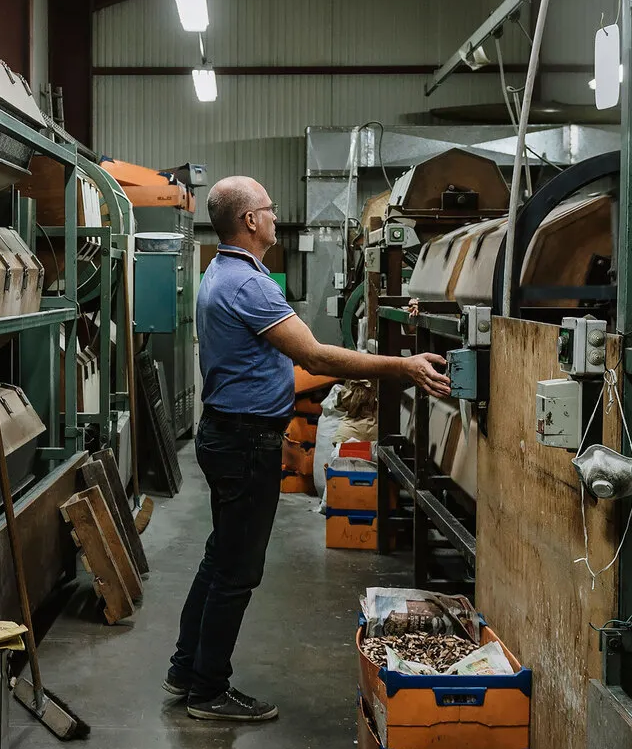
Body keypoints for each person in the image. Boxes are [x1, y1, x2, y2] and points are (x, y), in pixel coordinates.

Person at [167, 175, 451, 721]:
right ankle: (207, 689)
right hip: (246, 440)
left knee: (219, 558)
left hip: (230, 434)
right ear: (249, 221)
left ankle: (186, 670)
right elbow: (317, 358)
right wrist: (403, 367)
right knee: (237, 571)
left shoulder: (223, 273)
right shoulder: (249, 285)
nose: (275, 216)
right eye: (269, 209)